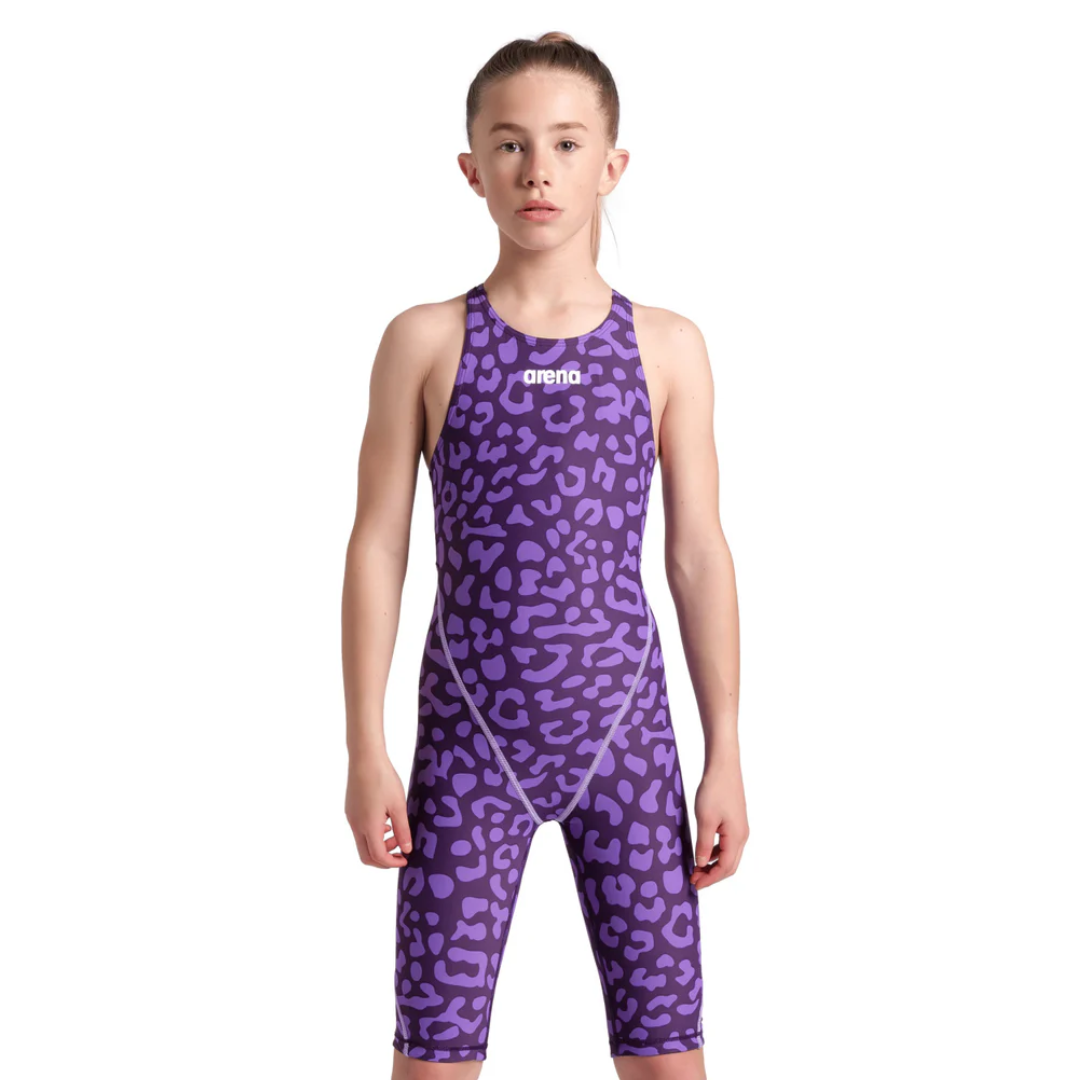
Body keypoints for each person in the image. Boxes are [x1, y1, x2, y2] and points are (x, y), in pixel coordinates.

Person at [342, 31, 747, 1079]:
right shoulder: (427, 340)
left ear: (611, 165)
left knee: (668, 1053)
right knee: (433, 1056)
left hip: (627, 737)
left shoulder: (666, 346)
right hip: (467, 746)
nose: (538, 171)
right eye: (511, 144)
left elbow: (697, 555)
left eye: (567, 144)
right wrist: (364, 746)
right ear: (471, 167)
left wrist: (726, 752)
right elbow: (378, 544)